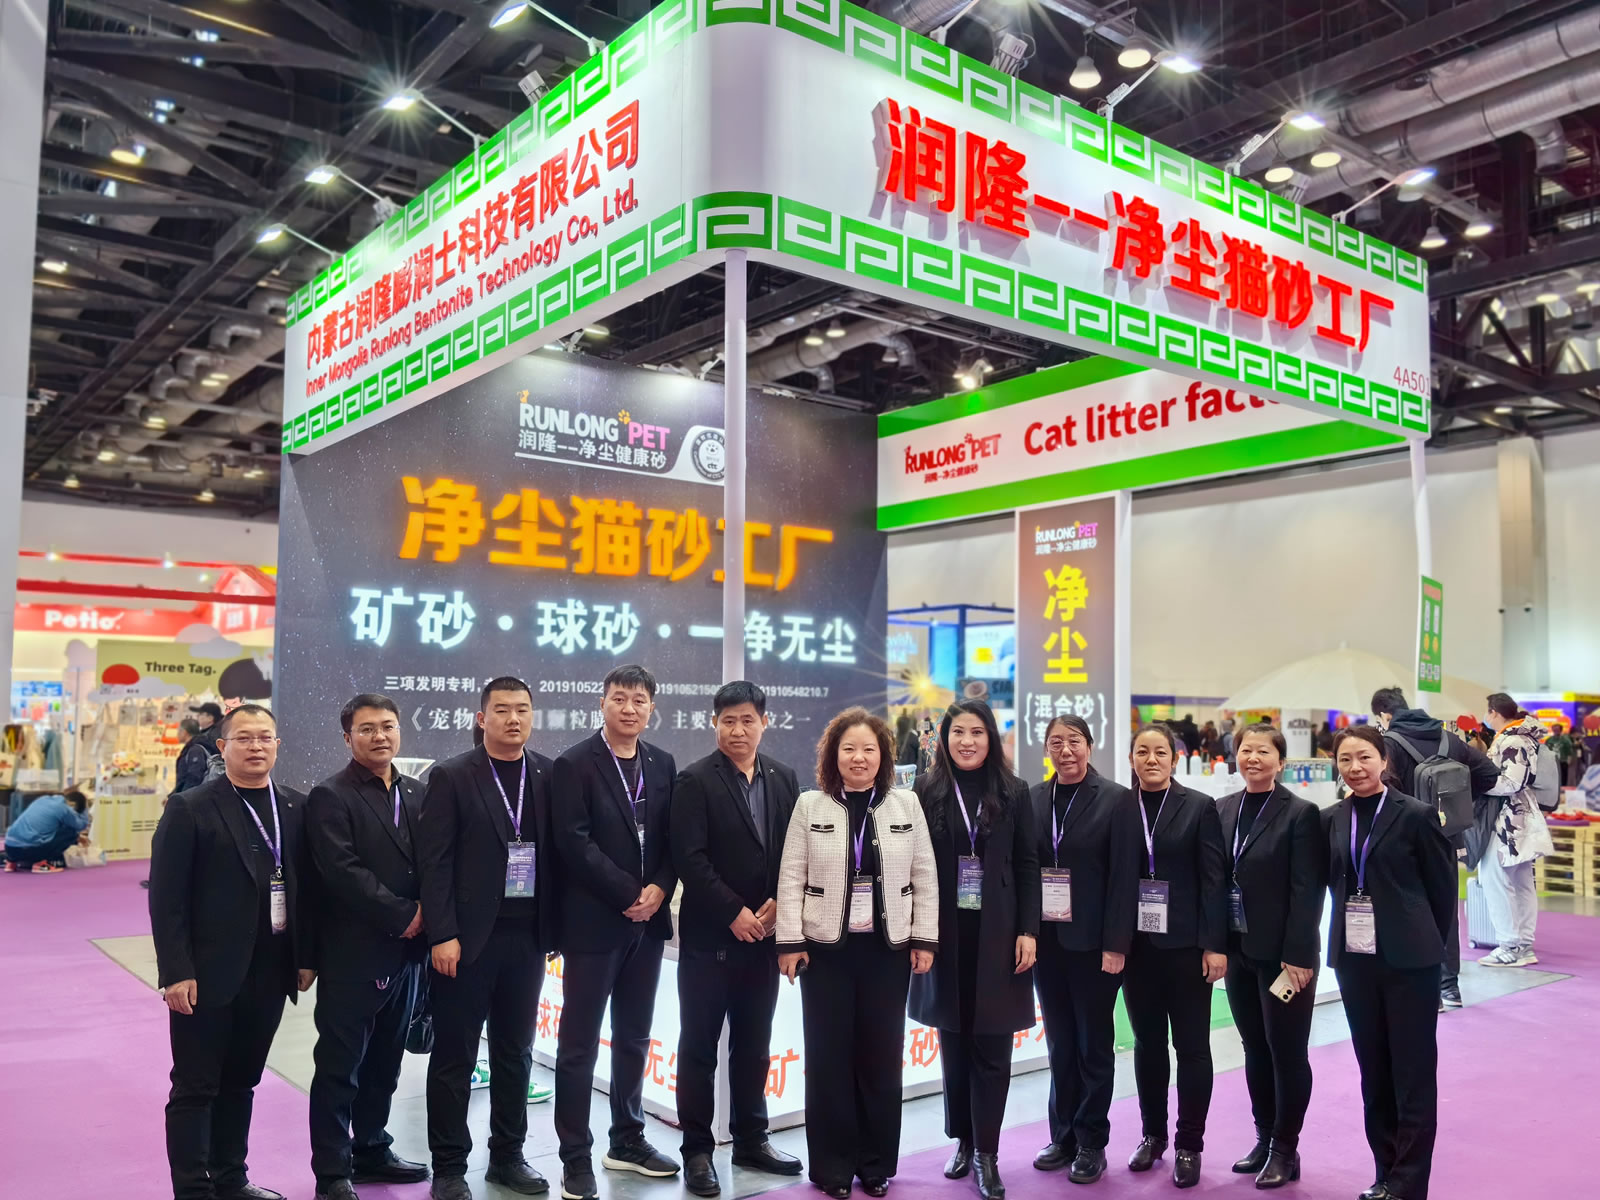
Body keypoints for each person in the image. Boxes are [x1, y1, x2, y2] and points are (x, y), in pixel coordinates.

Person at [148, 704, 316, 1200]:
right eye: (244, 738)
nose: (256, 746)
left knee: (242, 1080)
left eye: (265, 737)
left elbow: (308, 888)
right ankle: (192, 1189)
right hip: (205, 973)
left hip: (271, 968)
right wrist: (175, 971)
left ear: (278, 745)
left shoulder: (296, 807)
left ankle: (230, 1178)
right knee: (196, 1086)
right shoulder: (191, 807)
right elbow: (167, 898)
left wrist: (306, 956)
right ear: (222, 747)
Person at [776, 708, 938, 1199]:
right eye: (849, 749)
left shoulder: (906, 804)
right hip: (825, 953)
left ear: (883, 755)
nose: (859, 757)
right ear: (834, 755)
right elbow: (791, 876)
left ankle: (874, 1164)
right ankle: (831, 1167)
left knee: (881, 1058)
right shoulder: (811, 805)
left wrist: (924, 938)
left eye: (869, 749)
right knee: (828, 1060)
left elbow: (925, 874)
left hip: (888, 952)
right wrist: (789, 941)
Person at [418, 678, 557, 1200]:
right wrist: (443, 933)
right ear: (482, 718)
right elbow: (435, 863)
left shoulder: (547, 773)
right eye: (501, 710)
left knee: (515, 1052)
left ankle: (507, 1157)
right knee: (454, 1057)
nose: (513, 719)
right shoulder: (453, 775)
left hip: (528, 939)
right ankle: (449, 1166)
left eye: (522, 710)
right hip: (467, 942)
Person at [670, 682, 803, 1197]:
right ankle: (697, 1151)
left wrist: (778, 905)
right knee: (699, 1048)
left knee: (754, 1045)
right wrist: (734, 912)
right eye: (728, 721)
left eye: (747, 720)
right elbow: (690, 858)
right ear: (715, 724)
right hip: (710, 940)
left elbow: (794, 851)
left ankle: (751, 1139)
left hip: (765, 938)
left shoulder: (784, 777)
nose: (738, 730)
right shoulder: (694, 780)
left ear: (764, 722)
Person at [552, 665, 679, 1200]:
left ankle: (627, 1139)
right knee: (579, 1043)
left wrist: (660, 888)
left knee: (634, 1036)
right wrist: (629, 892)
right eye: (620, 698)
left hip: (647, 925)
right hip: (595, 924)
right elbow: (573, 842)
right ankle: (574, 1156)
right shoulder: (574, 764)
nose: (630, 708)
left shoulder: (662, 762)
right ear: (601, 703)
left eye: (639, 700)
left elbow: (672, 838)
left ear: (652, 707)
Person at [909, 700, 1039, 1200]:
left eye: (977, 732)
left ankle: (987, 1152)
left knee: (992, 1045)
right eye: (958, 732)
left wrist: (1028, 930)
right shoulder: (926, 790)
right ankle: (962, 1139)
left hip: (999, 934)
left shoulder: (1014, 790)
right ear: (944, 738)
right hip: (945, 934)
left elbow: (1027, 864)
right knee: (954, 1040)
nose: (967, 741)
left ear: (991, 739)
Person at [305, 694, 430, 1199]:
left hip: (409, 954)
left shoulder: (417, 791)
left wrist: (430, 915)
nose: (380, 736)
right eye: (367, 728)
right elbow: (342, 872)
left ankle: (372, 1149)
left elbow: (435, 861)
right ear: (347, 737)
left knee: (386, 1061)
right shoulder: (330, 796)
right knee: (341, 1066)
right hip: (354, 953)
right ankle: (332, 1171)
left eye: (388, 726)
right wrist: (404, 915)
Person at [1324, 726, 1456, 1200]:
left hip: (1410, 962)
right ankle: (1384, 1172)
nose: (1355, 767)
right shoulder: (1331, 819)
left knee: (1412, 1073)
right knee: (1374, 1070)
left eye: (1364, 757)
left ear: (1384, 760)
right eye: (1345, 759)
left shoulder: (1416, 815)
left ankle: (1409, 1182)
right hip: (1354, 961)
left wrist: (1426, 945)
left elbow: (1443, 892)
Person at [1029, 715, 1137, 1185]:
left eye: (1074, 741)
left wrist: (1116, 944)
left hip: (1094, 946)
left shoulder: (1115, 799)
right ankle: (1063, 1136)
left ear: (1089, 747)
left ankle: (1092, 1141)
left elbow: (1124, 878)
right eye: (1056, 742)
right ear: (1046, 749)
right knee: (1060, 1043)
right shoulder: (1034, 799)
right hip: (1047, 943)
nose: (1065, 750)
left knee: (1093, 1045)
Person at [1215, 723, 1324, 1190]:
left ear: (1281, 762)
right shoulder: (1223, 809)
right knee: (1254, 1047)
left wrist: (1298, 954)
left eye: (1263, 751)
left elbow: (1307, 889)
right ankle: (1263, 1138)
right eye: (1246, 750)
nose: (1253, 758)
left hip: (1284, 959)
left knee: (1287, 1051)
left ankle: (1285, 1147)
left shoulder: (1300, 813)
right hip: (1238, 951)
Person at [1119, 726, 1228, 1189]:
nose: (1151, 759)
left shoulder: (1199, 806)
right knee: (1147, 1045)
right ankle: (1153, 1135)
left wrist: (1215, 944)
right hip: (1137, 949)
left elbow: (1214, 879)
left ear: (1174, 758)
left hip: (1186, 948)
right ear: (1131, 758)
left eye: (1160, 752)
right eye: (1142, 751)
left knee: (1192, 1047)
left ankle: (1189, 1144)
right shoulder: (1120, 807)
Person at [1369, 687, 1499, 1011]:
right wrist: (1459, 803)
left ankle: (1425, 989)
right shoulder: (1449, 739)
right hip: (1447, 837)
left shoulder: (1390, 743)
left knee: (1409, 910)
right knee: (1445, 910)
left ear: (1385, 715)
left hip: (1404, 840)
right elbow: (1489, 774)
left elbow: (1385, 788)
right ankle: (1449, 986)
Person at [1477, 694, 1555, 967]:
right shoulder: (1520, 737)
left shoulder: (1513, 740)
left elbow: (1511, 783)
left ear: (1494, 712)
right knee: (1520, 881)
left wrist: (1477, 784)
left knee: (1495, 878)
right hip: (1517, 817)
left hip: (1509, 819)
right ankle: (1522, 945)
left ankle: (1510, 945)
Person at [2, 788, 91, 872]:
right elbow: (81, 825)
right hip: (30, 851)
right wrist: (85, 807)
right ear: (72, 804)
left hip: (10, 848)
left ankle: (11, 863)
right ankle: (40, 864)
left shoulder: (42, 800)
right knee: (71, 833)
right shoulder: (63, 808)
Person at [174, 718, 210, 794]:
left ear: (184, 732)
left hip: (193, 797)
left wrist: (183, 797)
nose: (177, 734)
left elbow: (194, 778)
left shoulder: (195, 750)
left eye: (179, 730)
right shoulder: (190, 749)